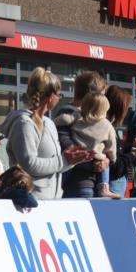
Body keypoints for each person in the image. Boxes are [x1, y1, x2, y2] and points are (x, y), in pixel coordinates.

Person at [0, 68, 92, 199]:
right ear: (50, 97)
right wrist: (64, 160)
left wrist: (73, 160)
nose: (60, 98)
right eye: (59, 94)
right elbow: (29, 164)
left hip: (52, 200)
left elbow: (55, 165)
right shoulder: (24, 123)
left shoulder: (49, 123)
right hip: (30, 199)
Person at [55, 71, 109, 199]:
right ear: (92, 96)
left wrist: (105, 159)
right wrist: (92, 160)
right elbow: (66, 144)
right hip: (78, 182)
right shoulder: (69, 112)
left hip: (91, 180)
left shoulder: (92, 116)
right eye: (102, 96)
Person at [105, 85, 136, 198]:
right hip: (113, 187)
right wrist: (134, 153)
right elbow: (116, 168)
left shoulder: (108, 127)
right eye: (126, 107)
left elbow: (117, 158)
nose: (127, 111)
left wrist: (132, 147)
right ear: (120, 107)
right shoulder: (107, 128)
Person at [69, 93, 119, 199]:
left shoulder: (76, 118)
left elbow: (63, 120)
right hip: (95, 160)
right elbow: (111, 147)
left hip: (76, 159)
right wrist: (112, 159)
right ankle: (104, 188)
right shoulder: (106, 124)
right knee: (105, 160)